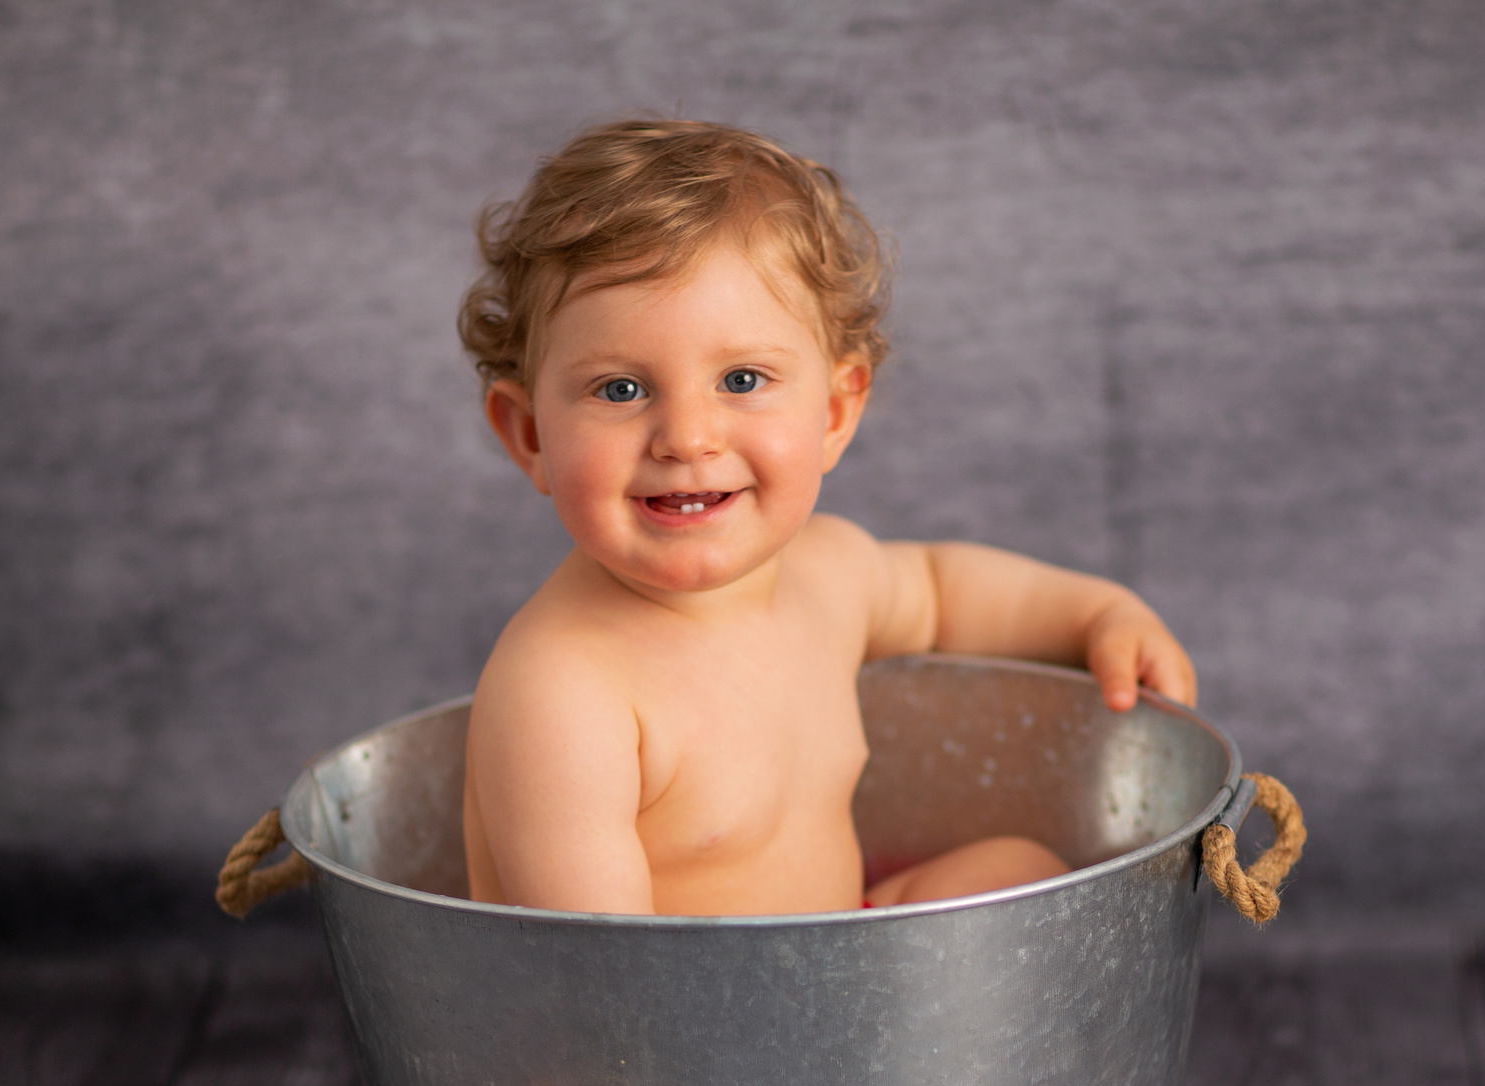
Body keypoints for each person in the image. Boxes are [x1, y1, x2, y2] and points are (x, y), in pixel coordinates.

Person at [459, 118, 1196, 917]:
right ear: (530, 435)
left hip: (832, 983)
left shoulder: (826, 573)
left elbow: (943, 590)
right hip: (657, 1024)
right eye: (621, 390)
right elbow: (593, 973)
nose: (688, 439)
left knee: (1014, 867)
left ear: (837, 411)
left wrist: (1098, 614)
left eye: (741, 379)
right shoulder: (564, 690)